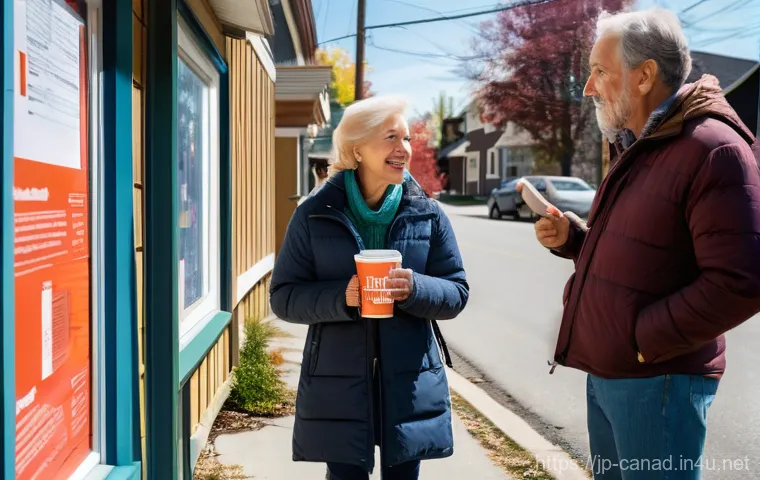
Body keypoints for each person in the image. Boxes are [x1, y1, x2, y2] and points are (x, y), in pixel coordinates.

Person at [530, 7, 760, 480]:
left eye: (599, 71)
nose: (589, 87)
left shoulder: (712, 148)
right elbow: (650, 250)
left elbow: (741, 280)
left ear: (644, 76)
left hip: (657, 380)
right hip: (614, 373)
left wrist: (641, 339)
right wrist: (575, 241)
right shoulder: (639, 143)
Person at [269, 94, 469, 480]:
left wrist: (416, 289)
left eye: (407, 138)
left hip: (410, 380)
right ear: (357, 148)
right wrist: (340, 297)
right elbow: (283, 297)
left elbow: (457, 291)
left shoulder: (427, 212)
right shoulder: (313, 213)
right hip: (337, 380)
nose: (404, 149)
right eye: (391, 137)